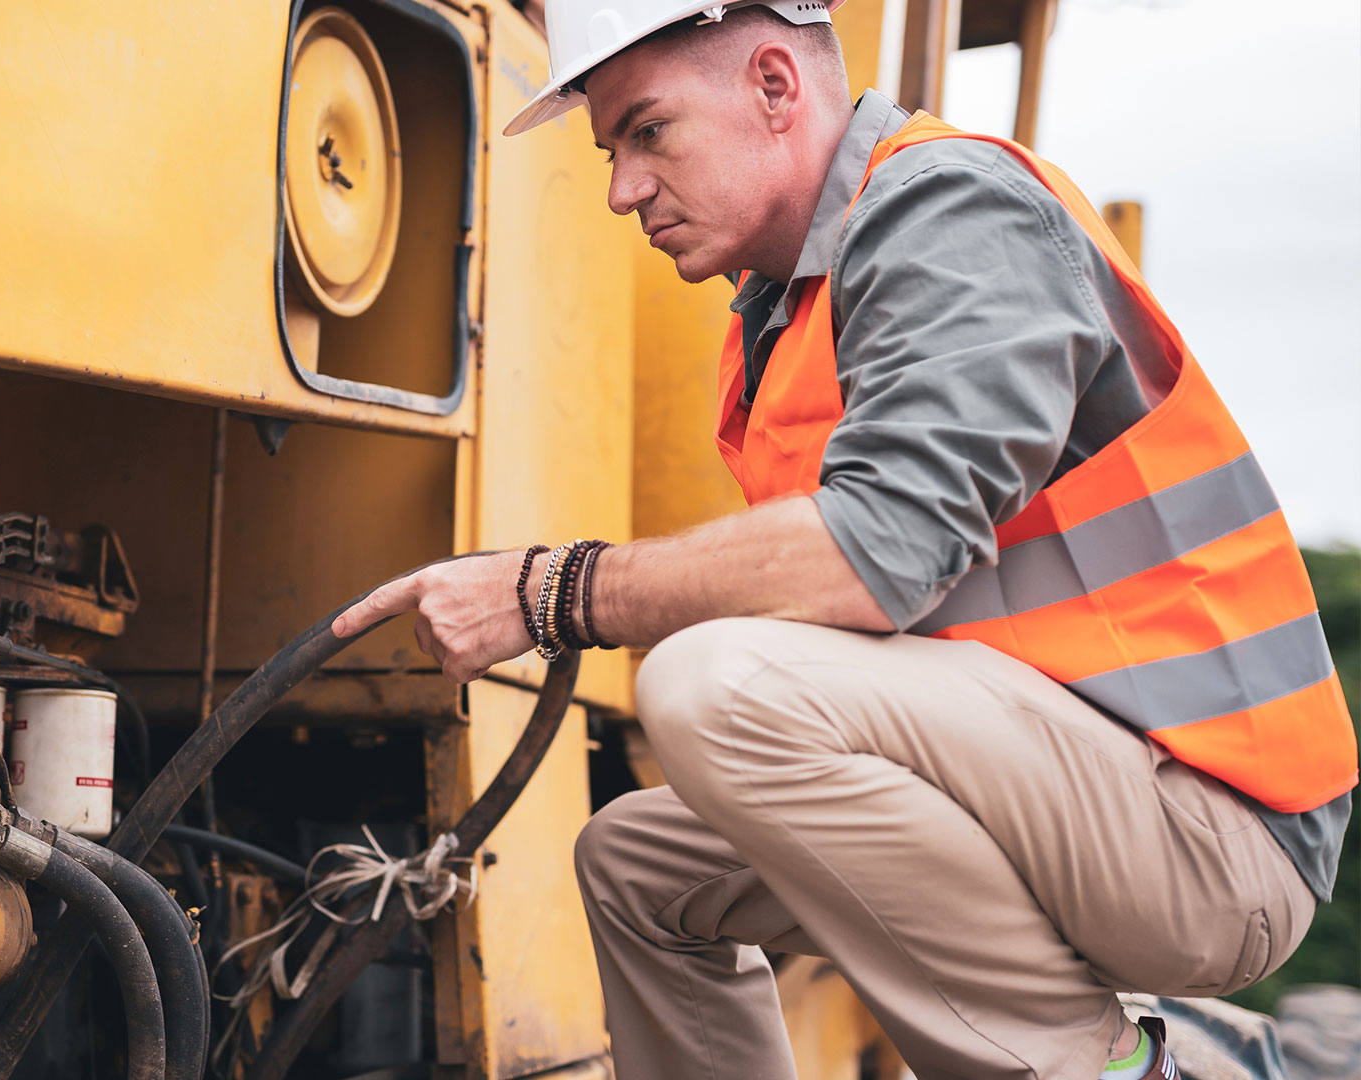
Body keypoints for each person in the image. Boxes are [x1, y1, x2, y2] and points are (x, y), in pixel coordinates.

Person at [330, 1, 1357, 1078]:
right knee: (636, 867)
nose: (621, 189)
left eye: (648, 131)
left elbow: (878, 554)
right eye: (611, 150)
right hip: (1074, 789)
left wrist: (552, 592)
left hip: (1209, 830)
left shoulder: (953, 208)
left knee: (712, 684)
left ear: (776, 86)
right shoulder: (780, 315)